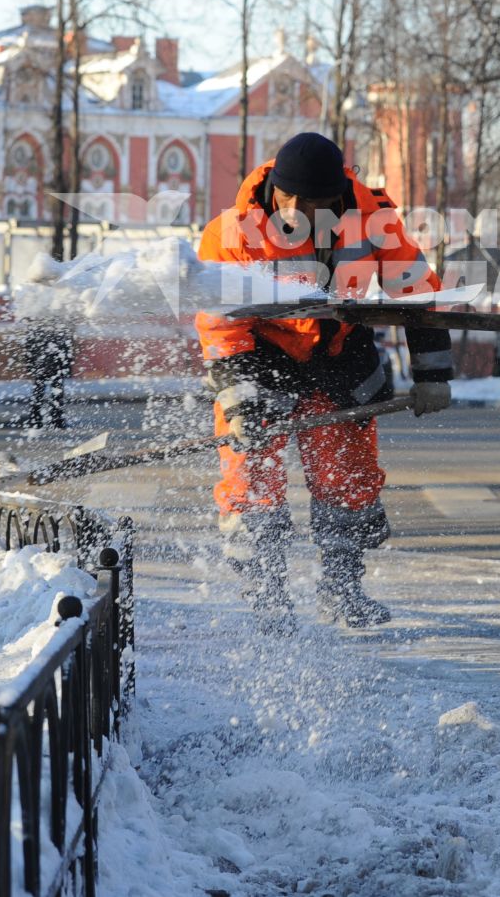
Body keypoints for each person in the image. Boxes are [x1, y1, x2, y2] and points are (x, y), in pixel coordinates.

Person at [195, 132, 456, 634]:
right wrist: (240, 399)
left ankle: (343, 590)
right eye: (289, 200)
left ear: (336, 197)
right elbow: (221, 324)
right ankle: (267, 599)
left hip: (338, 357)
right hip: (261, 359)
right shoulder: (230, 233)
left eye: (312, 203)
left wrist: (433, 373)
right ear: (274, 189)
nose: (297, 210)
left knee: (348, 484)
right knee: (251, 484)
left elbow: (418, 292)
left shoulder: (374, 217)